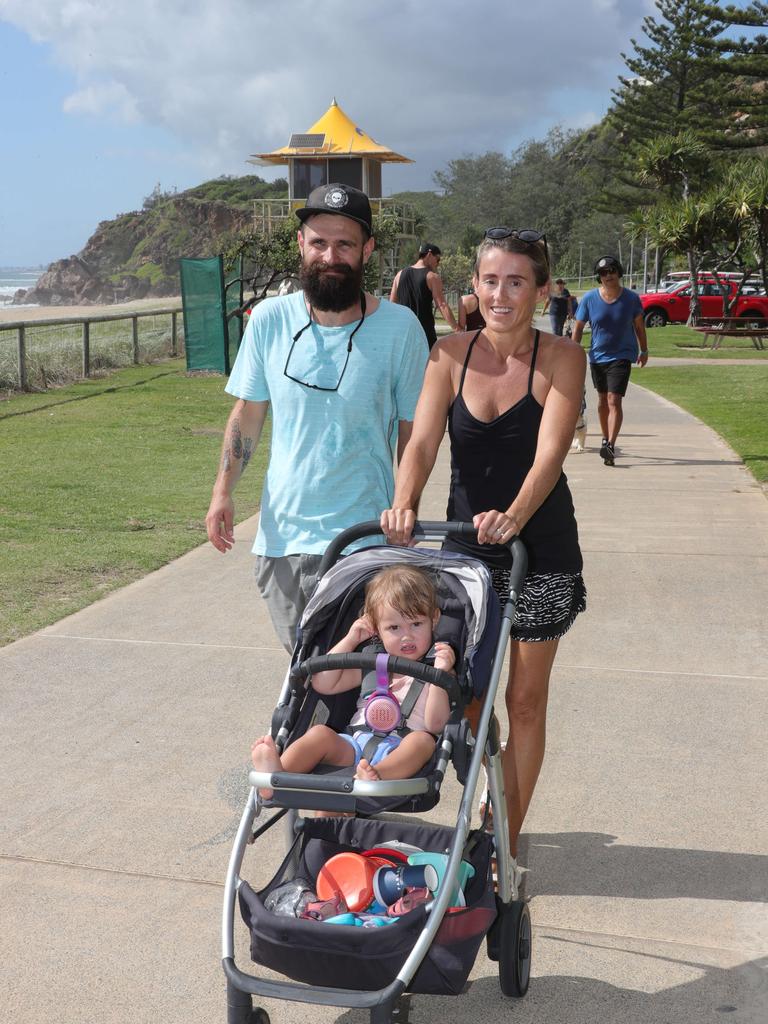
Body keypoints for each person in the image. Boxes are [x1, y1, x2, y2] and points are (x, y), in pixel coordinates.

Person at [380, 227, 587, 864]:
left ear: (541, 290)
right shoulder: (448, 354)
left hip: (539, 551)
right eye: (490, 280)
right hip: (466, 552)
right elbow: (420, 443)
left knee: (524, 699)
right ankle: (488, 782)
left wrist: (516, 516)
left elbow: (550, 455)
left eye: (516, 281)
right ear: (475, 286)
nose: (501, 294)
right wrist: (405, 499)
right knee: (468, 699)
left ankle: (504, 836)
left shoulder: (561, 358)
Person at [205, 183, 429, 652]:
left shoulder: (400, 328)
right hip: (282, 540)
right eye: (319, 242)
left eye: (345, 244)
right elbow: (247, 414)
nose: (330, 256)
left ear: (366, 249)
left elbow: (415, 433)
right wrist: (222, 492)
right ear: (301, 245)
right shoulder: (269, 319)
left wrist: (405, 503)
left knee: (366, 685)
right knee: (303, 681)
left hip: (363, 538)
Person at [250, 564, 455, 792]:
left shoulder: (438, 667)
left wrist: (440, 674)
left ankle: (377, 776)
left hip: (400, 749)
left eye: (416, 624)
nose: (407, 636)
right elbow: (322, 683)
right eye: (394, 627)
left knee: (423, 742)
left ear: (434, 619)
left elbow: (436, 724)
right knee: (321, 734)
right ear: (377, 629)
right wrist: (351, 639)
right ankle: (278, 776)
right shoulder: (372, 664)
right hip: (355, 744)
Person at [571, 255, 649, 466]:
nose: (608, 276)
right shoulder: (589, 299)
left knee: (614, 399)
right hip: (598, 356)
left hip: (622, 355)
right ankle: (606, 438)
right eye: (603, 273)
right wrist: (573, 351)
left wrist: (644, 350)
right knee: (602, 401)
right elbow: (578, 328)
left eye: (612, 271)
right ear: (599, 277)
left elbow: (639, 327)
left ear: (619, 273)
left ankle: (611, 445)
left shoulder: (631, 298)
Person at [390, 243, 459, 347]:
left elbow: (392, 305)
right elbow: (442, 305)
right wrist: (457, 329)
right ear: (429, 254)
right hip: (424, 334)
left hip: (404, 334)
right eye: (438, 259)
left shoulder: (399, 275)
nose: (438, 264)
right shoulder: (432, 277)